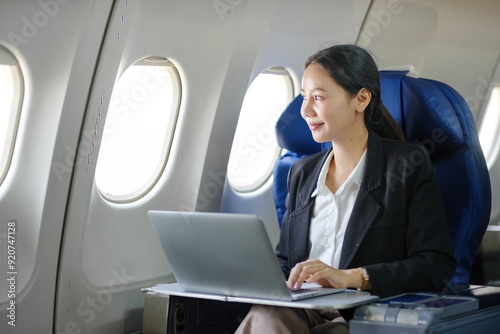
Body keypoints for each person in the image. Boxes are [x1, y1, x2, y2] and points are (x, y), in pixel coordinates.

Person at [235, 44, 456, 334]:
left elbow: (434, 265)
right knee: (267, 313)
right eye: (304, 97)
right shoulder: (302, 173)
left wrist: (352, 277)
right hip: (301, 308)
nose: (305, 111)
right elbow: (287, 263)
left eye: (318, 97)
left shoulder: (406, 165)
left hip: (362, 314)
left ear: (361, 99)